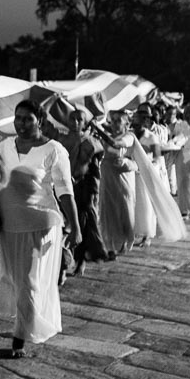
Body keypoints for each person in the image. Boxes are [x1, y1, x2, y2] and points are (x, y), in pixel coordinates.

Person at [0, 100, 81, 358]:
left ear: (40, 121)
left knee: (29, 280)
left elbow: (65, 191)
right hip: (9, 222)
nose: (21, 123)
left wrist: (75, 226)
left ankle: (20, 335)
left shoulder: (54, 149)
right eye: (18, 118)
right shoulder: (4, 146)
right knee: (13, 277)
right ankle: (25, 319)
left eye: (28, 119)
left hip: (41, 222)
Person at [58, 108, 106, 276]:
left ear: (85, 123)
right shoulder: (61, 139)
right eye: (72, 119)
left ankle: (79, 260)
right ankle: (63, 262)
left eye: (80, 119)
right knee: (63, 226)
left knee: (82, 225)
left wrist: (92, 192)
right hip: (62, 187)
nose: (76, 122)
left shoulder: (92, 142)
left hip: (82, 188)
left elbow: (94, 168)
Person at [98, 110, 137, 257]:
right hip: (107, 177)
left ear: (127, 123)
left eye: (117, 121)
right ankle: (110, 245)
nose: (114, 124)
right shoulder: (107, 136)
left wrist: (96, 128)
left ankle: (124, 241)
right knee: (108, 211)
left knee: (124, 210)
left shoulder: (129, 137)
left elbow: (116, 144)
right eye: (112, 120)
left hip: (123, 180)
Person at [131, 108, 162, 246]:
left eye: (138, 120)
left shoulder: (151, 137)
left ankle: (147, 234)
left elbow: (157, 158)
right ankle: (136, 231)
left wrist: (146, 166)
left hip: (146, 174)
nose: (135, 123)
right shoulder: (130, 135)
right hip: (133, 174)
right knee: (135, 204)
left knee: (146, 205)